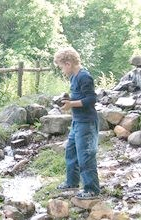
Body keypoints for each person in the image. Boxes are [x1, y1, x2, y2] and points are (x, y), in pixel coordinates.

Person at [53, 47, 100, 199]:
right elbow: (79, 96)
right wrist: (68, 99)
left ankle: (91, 189)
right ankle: (72, 182)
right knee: (71, 152)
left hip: (86, 122)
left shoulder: (84, 77)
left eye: (61, 66)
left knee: (85, 155)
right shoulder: (74, 77)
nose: (61, 70)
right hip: (77, 122)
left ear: (68, 63)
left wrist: (71, 104)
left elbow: (91, 99)